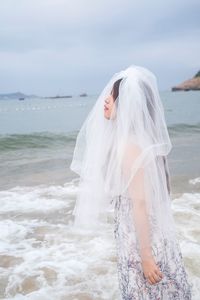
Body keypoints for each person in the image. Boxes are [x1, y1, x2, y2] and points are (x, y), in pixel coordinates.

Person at [70, 65, 192, 299]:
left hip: (141, 240)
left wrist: (146, 257)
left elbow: (140, 204)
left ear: (129, 105)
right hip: (139, 234)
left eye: (113, 96)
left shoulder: (130, 147)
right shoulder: (134, 142)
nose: (106, 100)